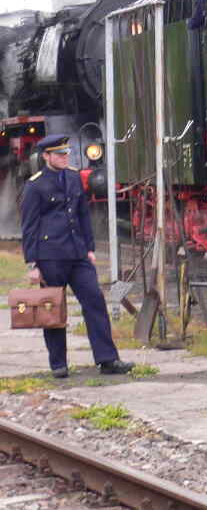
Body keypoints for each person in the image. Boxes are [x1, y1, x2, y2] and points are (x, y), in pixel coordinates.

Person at [20, 134, 133, 378]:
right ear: (46, 156)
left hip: (78, 254)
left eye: (66, 153)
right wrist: (32, 263)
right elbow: (29, 226)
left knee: (95, 302)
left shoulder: (73, 177)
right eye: (59, 154)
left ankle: (107, 359)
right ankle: (58, 364)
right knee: (53, 309)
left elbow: (83, 214)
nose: (65, 157)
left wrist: (89, 248)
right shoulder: (35, 185)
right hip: (50, 256)